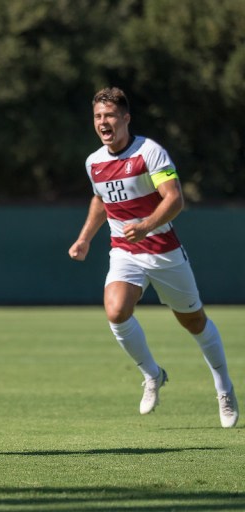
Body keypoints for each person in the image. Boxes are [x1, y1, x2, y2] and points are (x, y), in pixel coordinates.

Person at [68, 87, 238, 428]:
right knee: (116, 311)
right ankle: (152, 374)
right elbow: (100, 200)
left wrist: (146, 225)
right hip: (125, 251)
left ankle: (224, 388)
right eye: (99, 116)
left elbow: (174, 199)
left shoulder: (150, 152)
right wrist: (85, 237)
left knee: (194, 322)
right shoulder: (94, 162)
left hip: (163, 251)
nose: (104, 122)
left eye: (110, 116)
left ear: (126, 118)